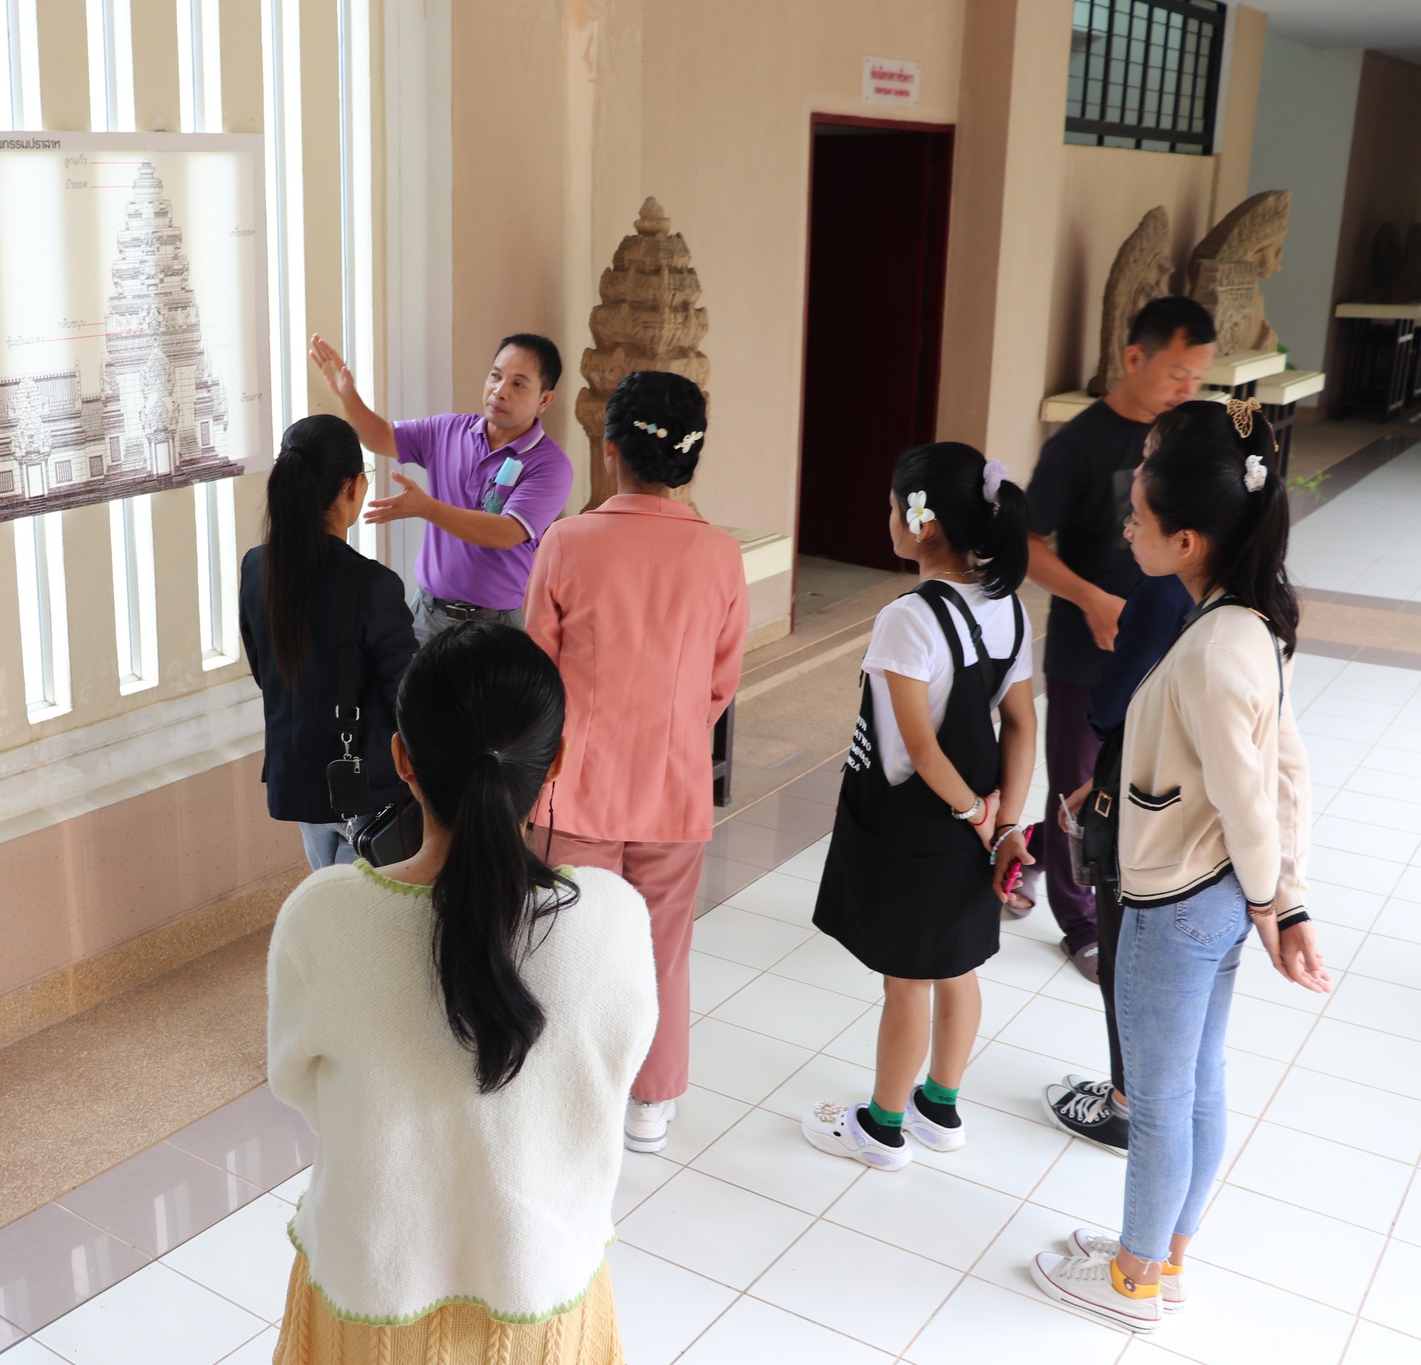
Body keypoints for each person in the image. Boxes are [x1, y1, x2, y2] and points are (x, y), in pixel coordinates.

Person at [266, 623, 656, 1363]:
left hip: (369, 1291)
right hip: (542, 1297)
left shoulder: (323, 916)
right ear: (556, 762)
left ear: (401, 759)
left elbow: (297, 1084)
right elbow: (612, 1071)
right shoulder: (612, 918)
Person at [1029, 398, 1330, 1333]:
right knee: (1198, 1081)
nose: (1127, 530)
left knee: (1160, 1101)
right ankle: (1166, 1255)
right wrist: (1285, 901)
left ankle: (1131, 1278)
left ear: (1188, 540)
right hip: (1215, 896)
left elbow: (1253, 797)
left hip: (1178, 901)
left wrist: (1277, 906)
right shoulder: (1251, 619)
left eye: (1139, 519)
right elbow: (1287, 767)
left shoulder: (1214, 649)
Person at [523, 371, 748, 1155]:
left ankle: (568, 1095)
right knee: (662, 948)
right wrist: (673, 731)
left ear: (609, 448)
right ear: (691, 457)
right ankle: (650, 1102)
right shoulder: (720, 553)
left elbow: (538, 674)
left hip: (573, 784)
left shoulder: (567, 541)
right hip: (673, 785)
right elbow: (720, 682)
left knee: (568, 946)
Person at [803, 444, 1037, 1171]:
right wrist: (1003, 823)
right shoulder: (1009, 608)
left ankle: (881, 1127)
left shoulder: (907, 618)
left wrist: (974, 814)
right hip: (979, 818)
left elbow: (921, 749)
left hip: (921, 823)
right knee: (958, 966)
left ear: (922, 522)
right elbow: (1022, 723)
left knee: (905, 980)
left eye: (891, 506)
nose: (888, 518)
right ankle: (940, 1107)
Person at [1043, 404, 1218, 1157]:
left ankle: (1125, 1101)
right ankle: (1149, 1096)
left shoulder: (1162, 590)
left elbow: (1115, 704)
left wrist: (1103, 772)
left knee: (1127, 957)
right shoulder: (1246, 586)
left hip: (1146, 802)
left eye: (1149, 463)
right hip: (1199, 818)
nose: (1128, 519)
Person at [1026, 297, 1217, 983]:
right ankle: (1079, 922)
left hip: (1167, 647)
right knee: (1075, 782)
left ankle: (1031, 851)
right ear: (1133, 358)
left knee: (1128, 781)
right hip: (1089, 651)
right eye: (1176, 373)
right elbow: (1023, 544)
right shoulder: (1078, 446)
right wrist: (1090, 598)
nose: (1186, 389)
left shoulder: (1182, 443)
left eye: (1198, 377)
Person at [309, 331, 574, 640]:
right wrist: (347, 395)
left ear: (545, 399)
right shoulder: (449, 430)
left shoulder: (550, 465)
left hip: (498, 626)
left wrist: (427, 508)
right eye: (495, 376)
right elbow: (381, 436)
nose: (500, 391)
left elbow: (505, 533)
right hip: (428, 615)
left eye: (518, 384)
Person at [239, 415, 418, 869]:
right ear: (351, 487)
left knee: (328, 894)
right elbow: (407, 699)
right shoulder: (373, 584)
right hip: (366, 786)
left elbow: (266, 670)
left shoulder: (257, 568)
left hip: (299, 778)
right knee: (368, 904)